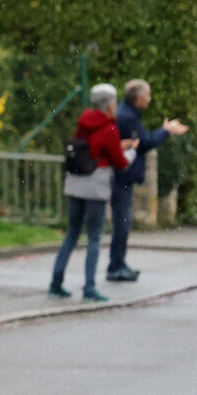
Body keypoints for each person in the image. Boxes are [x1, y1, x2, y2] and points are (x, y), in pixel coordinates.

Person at [51, 83, 133, 302]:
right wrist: (129, 153)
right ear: (108, 105)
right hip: (95, 187)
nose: (116, 107)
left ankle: (56, 283)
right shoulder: (110, 129)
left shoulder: (83, 122)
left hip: (75, 184)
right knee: (94, 237)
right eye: (114, 103)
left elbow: (90, 147)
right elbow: (119, 162)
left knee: (71, 234)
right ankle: (89, 288)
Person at [109, 78, 188, 281]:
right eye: (148, 96)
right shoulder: (128, 117)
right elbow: (144, 143)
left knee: (123, 222)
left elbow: (141, 141)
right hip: (122, 175)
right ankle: (116, 266)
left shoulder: (129, 114)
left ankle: (119, 263)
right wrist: (166, 131)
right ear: (138, 99)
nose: (150, 99)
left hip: (122, 174)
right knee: (122, 222)